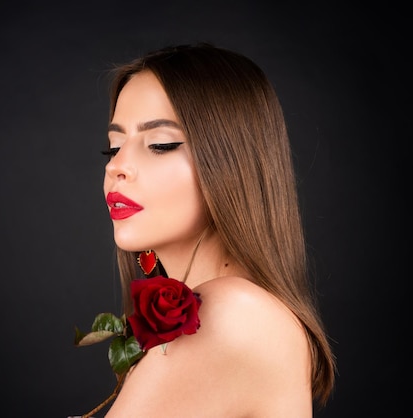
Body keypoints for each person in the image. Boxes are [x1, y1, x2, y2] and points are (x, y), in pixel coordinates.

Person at [99, 42, 335, 417]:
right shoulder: (248, 310)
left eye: (159, 144)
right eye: (112, 148)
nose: (117, 167)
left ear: (229, 163)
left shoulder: (232, 314)